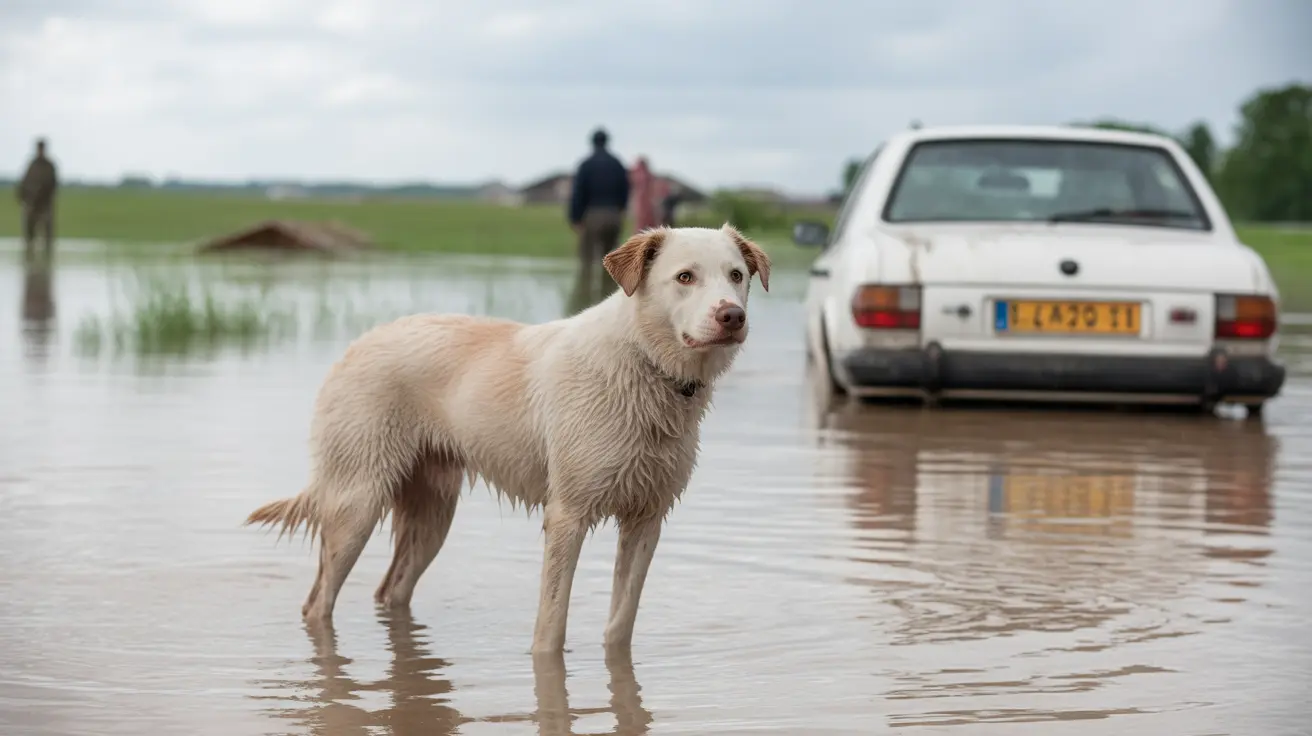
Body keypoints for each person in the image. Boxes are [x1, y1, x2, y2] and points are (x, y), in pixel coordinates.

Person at [567, 128, 630, 286]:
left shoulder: (586, 165)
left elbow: (578, 193)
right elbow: (626, 189)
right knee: (609, 261)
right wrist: (621, 209)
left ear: (592, 142)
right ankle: (606, 297)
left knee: (587, 260)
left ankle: (584, 296)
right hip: (613, 214)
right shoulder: (617, 163)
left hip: (592, 214)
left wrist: (575, 218)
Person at [16, 137, 59, 260]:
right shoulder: (32, 164)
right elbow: (24, 182)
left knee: (47, 231)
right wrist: (23, 197)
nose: (40, 151)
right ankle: (29, 255)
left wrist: (45, 197)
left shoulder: (49, 166)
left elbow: (53, 184)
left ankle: (48, 256)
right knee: (29, 230)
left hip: (45, 203)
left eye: (42, 148)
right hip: (31, 203)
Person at [628, 156, 659, 233]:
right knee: (649, 226)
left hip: (642, 203)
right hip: (647, 203)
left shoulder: (638, 174)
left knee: (641, 226)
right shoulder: (647, 175)